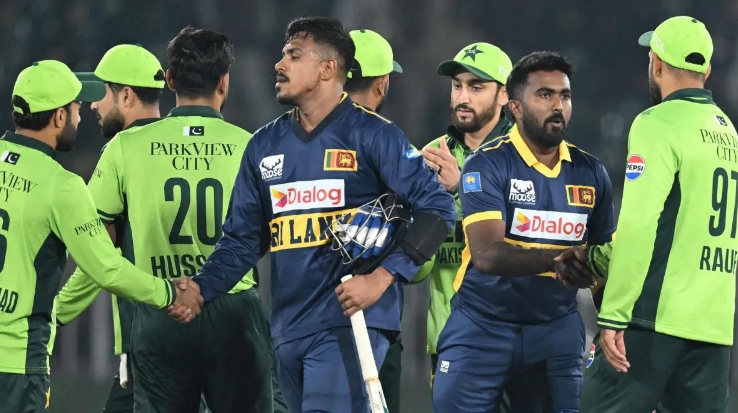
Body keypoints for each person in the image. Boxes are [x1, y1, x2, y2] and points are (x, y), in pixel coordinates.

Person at [170, 16, 456, 413]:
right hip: (287, 330)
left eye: (293, 55)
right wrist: (201, 288)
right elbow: (242, 241)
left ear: (327, 68)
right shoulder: (263, 146)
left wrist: (381, 278)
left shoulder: (374, 134)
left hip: (350, 322)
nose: (279, 64)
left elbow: (438, 208)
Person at [81, 27, 273, 413]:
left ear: (170, 81)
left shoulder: (125, 146)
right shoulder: (253, 145)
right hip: (233, 307)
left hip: (161, 305)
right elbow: (267, 231)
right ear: (224, 82)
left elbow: (92, 233)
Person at [0, 60, 201, 413]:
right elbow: (105, 267)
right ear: (59, 117)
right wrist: (169, 292)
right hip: (16, 362)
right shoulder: (61, 186)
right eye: (75, 108)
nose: (81, 115)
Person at [562, 16, 732, 413]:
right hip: (713, 324)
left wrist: (615, 314)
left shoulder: (657, 124)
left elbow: (640, 225)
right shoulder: (728, 132)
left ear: (656, 63)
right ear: (706, 70)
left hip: (653, 317)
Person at [431, 51, 615, 413]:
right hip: (481, 326)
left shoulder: (591, 173)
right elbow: (487, 255)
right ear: (515, 107)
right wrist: (557, 260)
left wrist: (612, 324)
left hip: (555, 329)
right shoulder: (486, 163)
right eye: (545, 95)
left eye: (564, 95)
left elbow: (601, 262)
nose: (558, 106)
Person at [53, 43, 177, 413]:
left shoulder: (122, 150)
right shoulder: (186, 145)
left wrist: (54, 315)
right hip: (203, 330)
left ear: (126, 96)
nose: (93, 105)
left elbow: (97, 252)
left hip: (148, 335)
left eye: (102, 93)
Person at [414, 42, 513, 393]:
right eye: (457, 86)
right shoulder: (432, 156)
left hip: (514, 340)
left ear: (504, 95)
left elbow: (528, 242)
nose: (462, 97)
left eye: (476, 87)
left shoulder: (527, 153)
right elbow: (417, 270)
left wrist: (462, 190)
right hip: (449, 339)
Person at [344, 28, 404, 413]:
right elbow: (429, 216)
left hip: (301, 315)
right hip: (373, 313)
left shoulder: (294, 135)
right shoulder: (389, 142)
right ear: (382, 84)